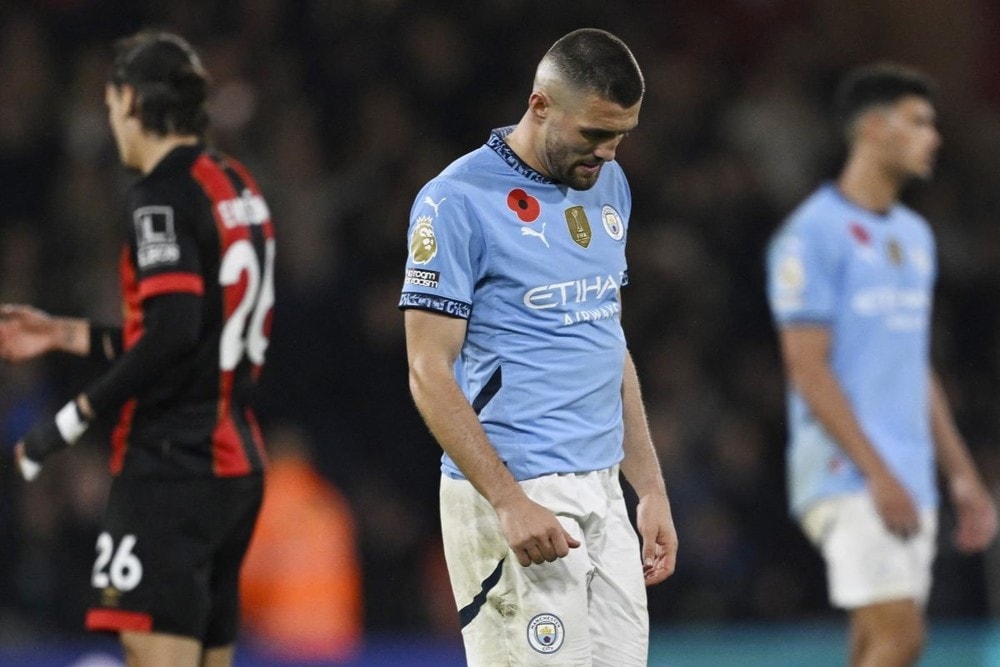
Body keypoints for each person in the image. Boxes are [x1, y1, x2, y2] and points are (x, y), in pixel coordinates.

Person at [400, 28, 678, 666]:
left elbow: (605, 339)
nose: (607, 152)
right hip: (517, 494)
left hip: (603, 492)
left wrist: (650, 487)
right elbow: (426, 369)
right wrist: (508, 501)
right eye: (594, 134)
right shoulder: (455, 201)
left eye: (622, 135)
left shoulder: (608, 185)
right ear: (540, 105)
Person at [0, 30, 275, 667]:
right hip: (233, 461)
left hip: (170, 466)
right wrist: (62, 333)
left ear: (130, 101)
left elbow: (173, 332)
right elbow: (193, 335)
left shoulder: (161, 195)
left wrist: (68, 422)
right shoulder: (236, 186)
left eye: (110, 105)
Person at [766, 63, 997, 667]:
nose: (935, 137)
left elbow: (913, 364)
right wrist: (878, 473)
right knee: (902, 637)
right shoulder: (811, 235)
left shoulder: (915, 237)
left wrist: (962, 475)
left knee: (876, 640)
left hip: (909, 472)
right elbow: (807, 370)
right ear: (873, 128)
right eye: (919, 122)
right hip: (850, 472)